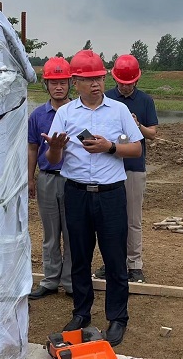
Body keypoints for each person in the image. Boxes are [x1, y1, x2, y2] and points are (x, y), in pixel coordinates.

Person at [43, 49, 142, 347]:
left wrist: (109, 147)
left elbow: (136, 149)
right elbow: (53, 158)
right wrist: (56, 148)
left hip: (111, 195)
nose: (96, 83)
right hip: (76, 193)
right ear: (75, 82)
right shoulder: (65, 114)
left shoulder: (119, 111)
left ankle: (117, 317)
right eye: (88, 79)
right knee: (80, 257)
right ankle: (81, 312)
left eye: (99, 77)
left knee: (114, 259)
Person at [96, 54, 158, 283]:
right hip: (109, 167)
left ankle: (134, 264)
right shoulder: (106, 99)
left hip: (133, 167)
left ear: (137, 80)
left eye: (129, 83)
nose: (125, 86)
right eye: (121, 82)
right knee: (110, 219)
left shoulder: (145, 101)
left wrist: (137, 125)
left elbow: (152, 134)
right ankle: (112, 261)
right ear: (115, 80)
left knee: (133, 218)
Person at [28, 57, 74, 300]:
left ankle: (71, 280)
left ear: (70, 83)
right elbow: (32, 148)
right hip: (46, 178)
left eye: (63, 82)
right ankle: (50, 279)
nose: (58, 87)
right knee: (50, 233)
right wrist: (30, 178)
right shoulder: (37, 116)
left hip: (72, 179)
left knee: (72, 232)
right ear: (46, 85)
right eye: (54, 82)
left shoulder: (78, 112)